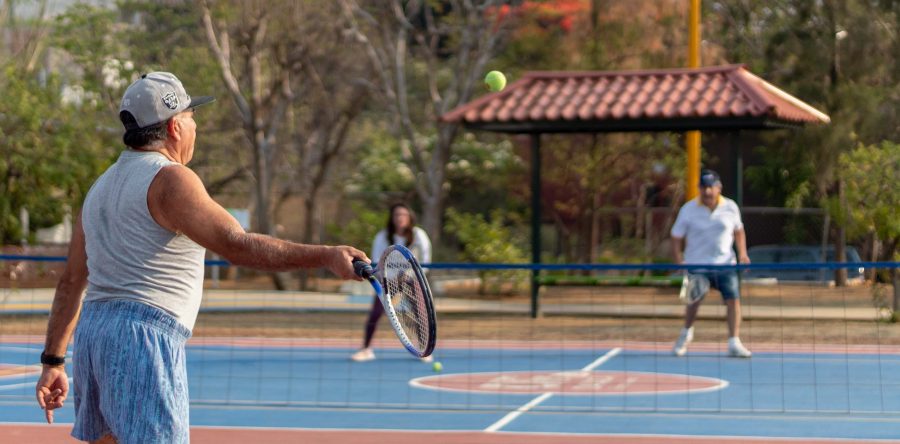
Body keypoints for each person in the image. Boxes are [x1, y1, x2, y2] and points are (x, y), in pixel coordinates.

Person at [34, 72, 368, 444]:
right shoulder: (171, 179)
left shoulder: (101, 186)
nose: (196, 126)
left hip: (94, 332)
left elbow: (71, 282)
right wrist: (324, 256)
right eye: (192, 117)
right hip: (142, 334)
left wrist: (53, 361)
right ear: (175, 126)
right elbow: (235, 245)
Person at [671, 169, 752, 358]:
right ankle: (686, 334)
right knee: (693, 303)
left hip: (725, 264)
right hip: (697, 266)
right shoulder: (688, 209)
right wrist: (678, 261)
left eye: (711, 187)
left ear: (719, 188)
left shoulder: (730, 207)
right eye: (703, 187)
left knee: (733, 300)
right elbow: (676, 237)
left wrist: (743, 253)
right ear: (699, 188)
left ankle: (734, 341)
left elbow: (739, 231)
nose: (707, 191)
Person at [350, 203, 432, 362]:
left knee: (420, 314)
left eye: (404, 215)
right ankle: (366, 349)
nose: (400, 218)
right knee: (375, 314)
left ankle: (424, 349)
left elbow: (426, 261)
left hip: (411, 280)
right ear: (392, 218)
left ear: (410, 218)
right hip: (388, 281)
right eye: (396, 215)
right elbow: (375, 261)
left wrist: (409, 276)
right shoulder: (383, 236)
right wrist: (387, 278)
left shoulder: (419, 235)